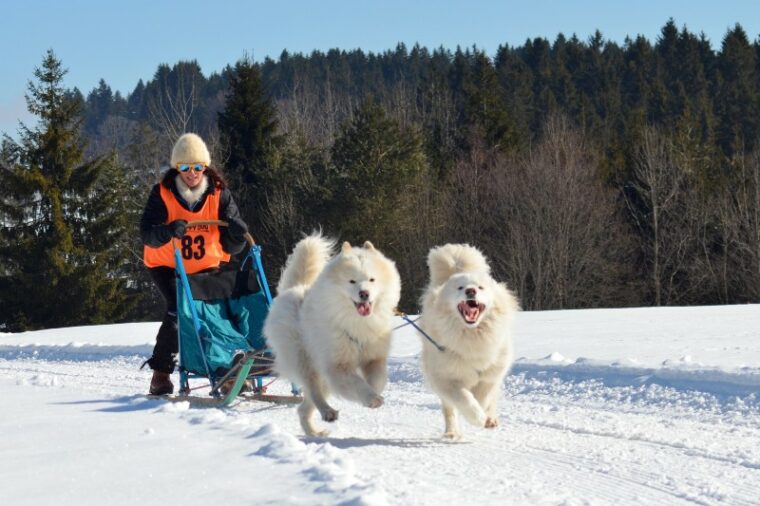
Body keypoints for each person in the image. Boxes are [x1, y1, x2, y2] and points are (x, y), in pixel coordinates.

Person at [140, 133, 248, 395]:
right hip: (168, 264)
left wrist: (236, 235)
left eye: (198, 167)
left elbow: (233, 244)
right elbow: (147, 233)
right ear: (177, 168)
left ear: (206, 167)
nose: (192, 173)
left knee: (214, 312)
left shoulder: (219, 194)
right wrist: (167, 231)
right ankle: (161, 373)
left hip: (205, 264)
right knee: (179, 309)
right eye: (185, 167)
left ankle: (223, 368)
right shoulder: (162, 193)